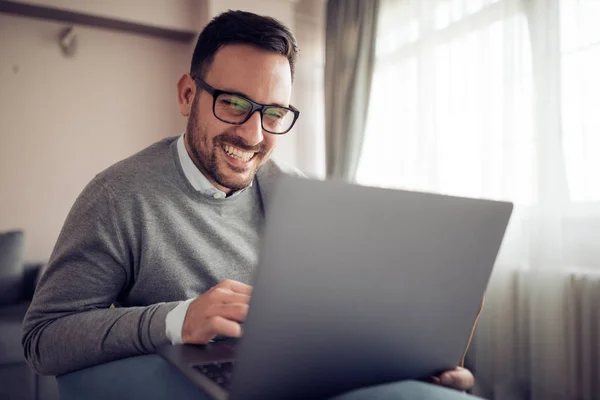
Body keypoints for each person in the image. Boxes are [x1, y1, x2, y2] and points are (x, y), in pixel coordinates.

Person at [23, 10, 478, 399]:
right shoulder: (117, 197)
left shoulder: (301, 197)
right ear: (188, 95)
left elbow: (337, 319)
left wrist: (410, 363)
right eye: (235, 104)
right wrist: (177, 319)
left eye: (274, 113)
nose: (253, 134)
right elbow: (43, 339)